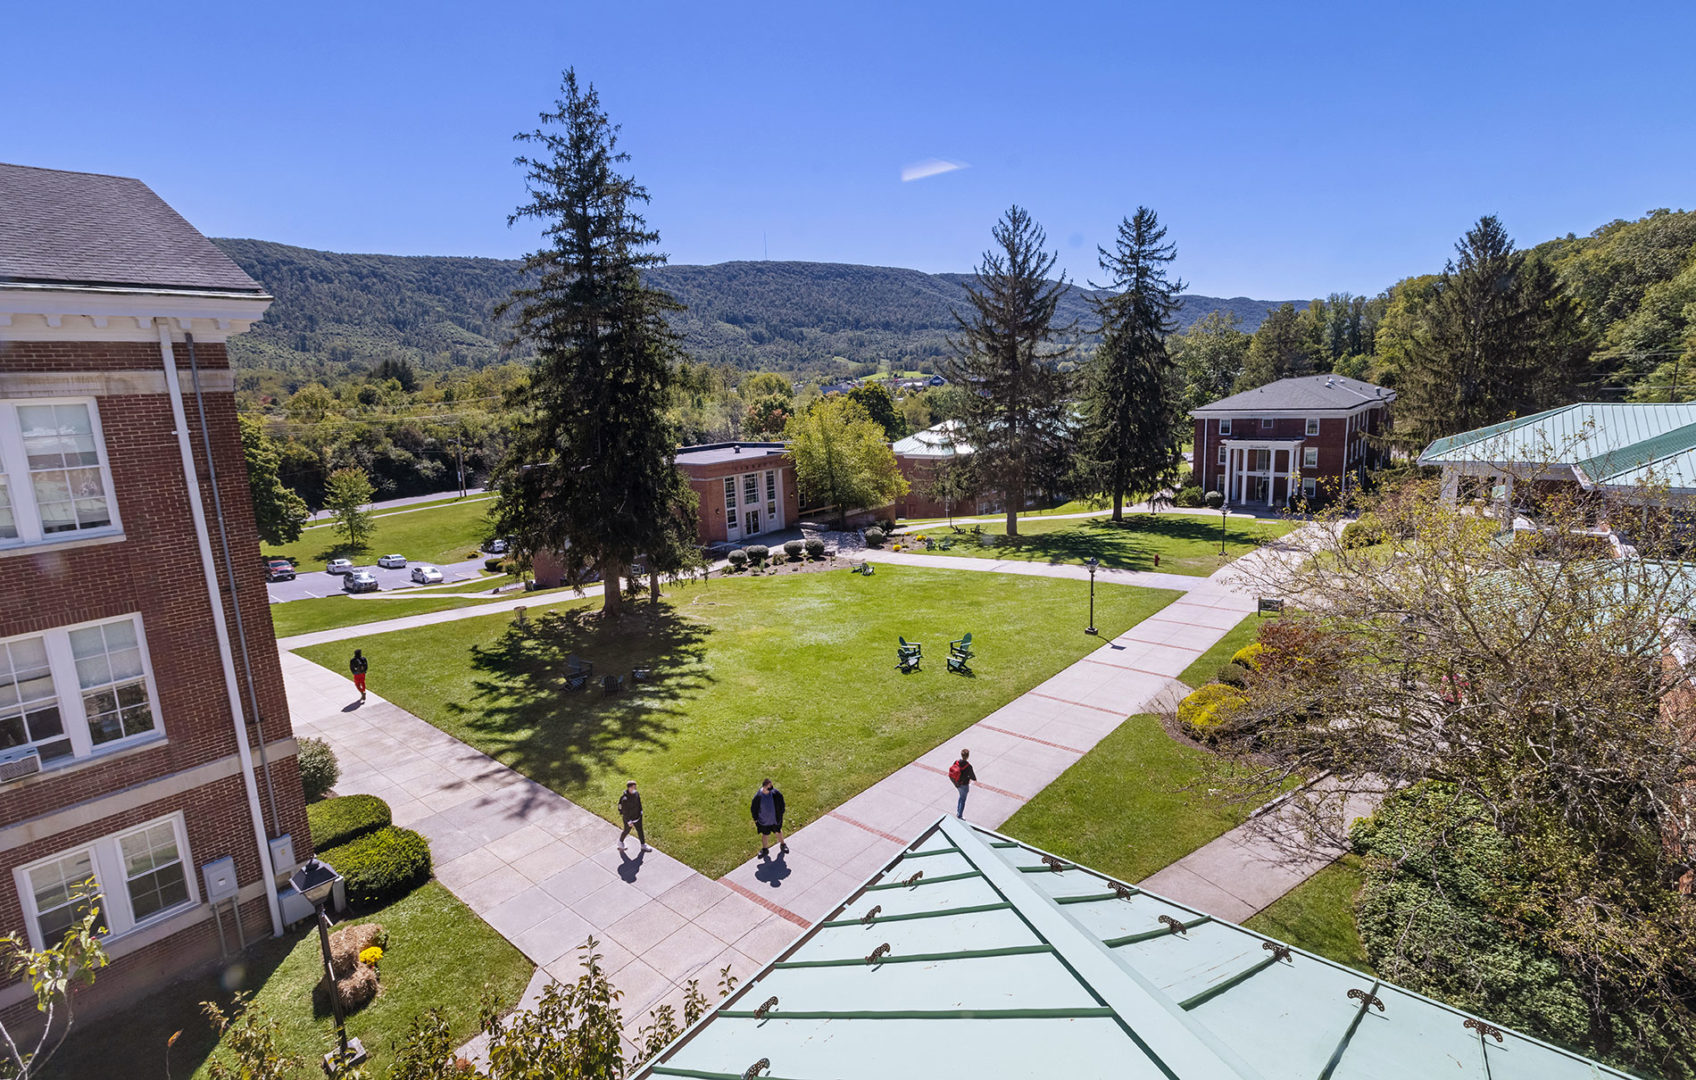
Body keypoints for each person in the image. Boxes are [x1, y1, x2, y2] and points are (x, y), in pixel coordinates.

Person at [750, 777, 787, 858]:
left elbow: (782, 802)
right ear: (764, 787)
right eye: (769, 787)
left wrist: (781, 813)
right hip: (764, 821)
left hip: (774, 819)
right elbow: (754, 809)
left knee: (778, 832)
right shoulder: (758, 797)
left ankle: (783, 844)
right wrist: (755, 819)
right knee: (765, 835)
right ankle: (764, 849)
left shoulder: (775, 793)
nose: (771, 788)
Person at [618, 780, 651, 852]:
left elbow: (639, 803)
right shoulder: (625, 799)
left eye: (635, 787)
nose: (635, 789)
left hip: (638, 817)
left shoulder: (636, 794)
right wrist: (629, 821)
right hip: (629, 819)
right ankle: (620, 842)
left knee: (640, 831)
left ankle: (643, 845)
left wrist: (641, 811)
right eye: (633, 787)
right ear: (629, 788)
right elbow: (624, 812)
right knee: (626, 831)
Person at [949, 748, 977, 819]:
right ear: (968, 756)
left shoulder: (956, 762)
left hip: (956, 783)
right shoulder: (968, 766)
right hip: (964, 785)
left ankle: (958, 811)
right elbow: (973, 777)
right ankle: (960, 815)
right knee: (963, 799)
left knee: (961, 797)